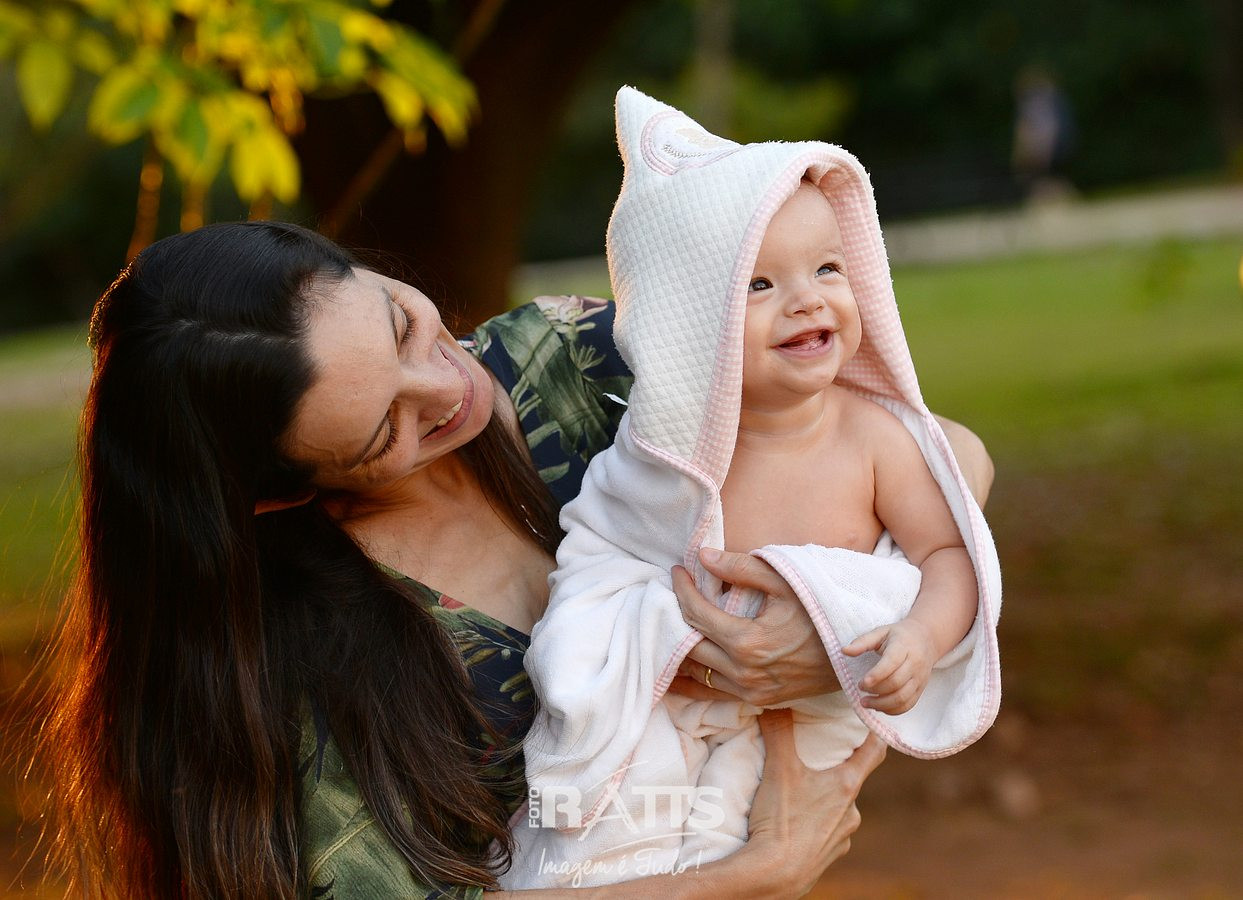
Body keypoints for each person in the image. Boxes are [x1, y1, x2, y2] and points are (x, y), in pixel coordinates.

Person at [36, 220, 995, 899]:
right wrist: (754, 874)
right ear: (281, 490)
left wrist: (823, 633)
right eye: (385, 430)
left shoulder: (567, 362)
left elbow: (929, 455)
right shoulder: (288, 664)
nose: (447, 387)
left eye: (403, 324)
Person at [506, 88, 1001, 887]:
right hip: (670, 706)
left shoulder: (871, 439)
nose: (807, 299)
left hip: (798, 725)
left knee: (739, 837)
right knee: (601, 845)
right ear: (686, 327)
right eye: (759, 285)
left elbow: (949, 553)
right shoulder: (663, 457)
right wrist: (629, 641)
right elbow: (600, 559)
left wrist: (918, 635)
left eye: (827, 268)